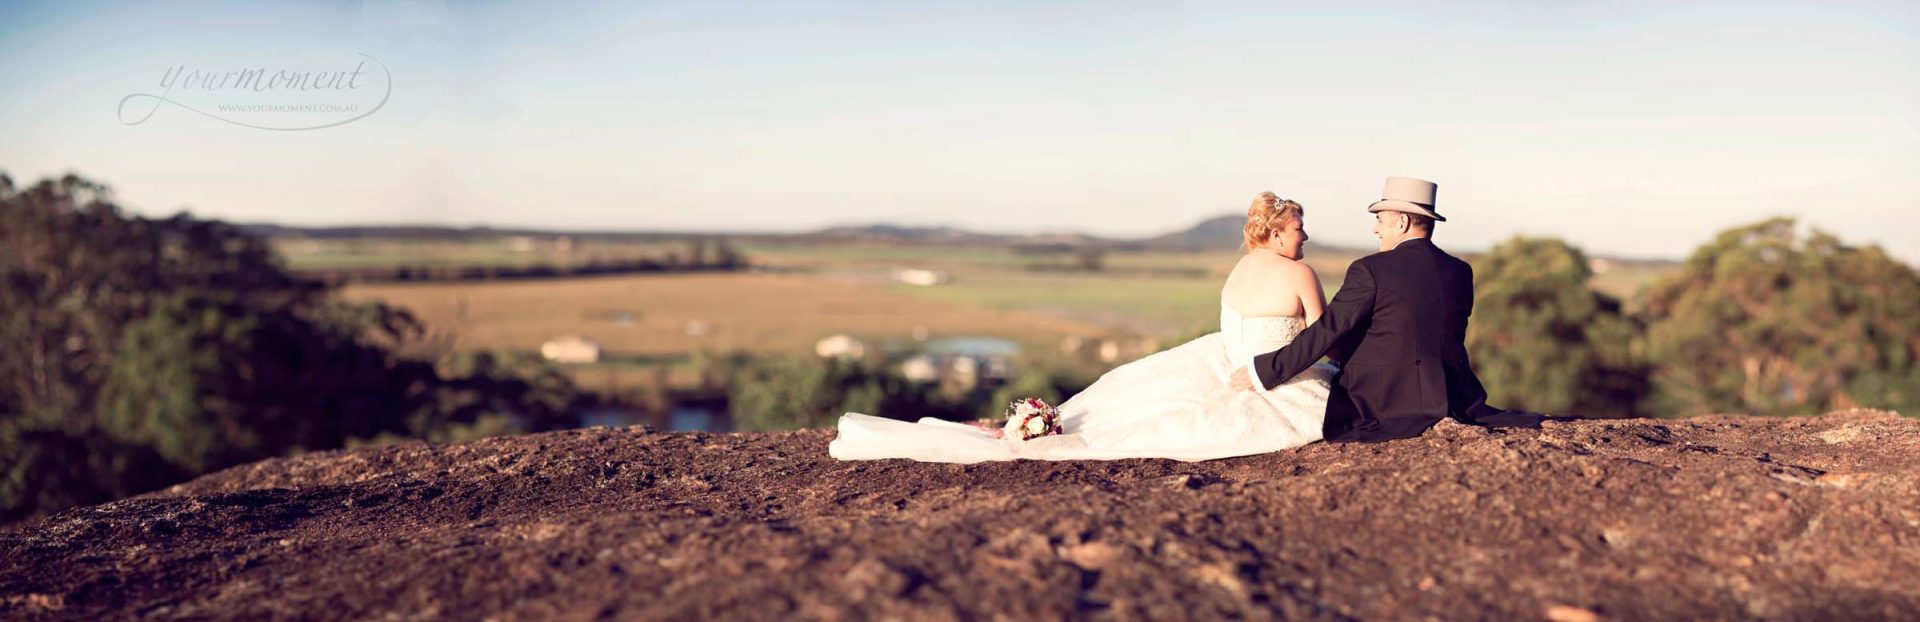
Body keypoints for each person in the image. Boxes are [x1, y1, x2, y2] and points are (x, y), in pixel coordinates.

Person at [829, 192, 1333, 462]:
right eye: (1297, 227)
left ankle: (1036, 429)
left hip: (1227, 361)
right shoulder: (1300, 273)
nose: (1305, 234)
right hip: (1274, 379)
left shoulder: (1241, 268)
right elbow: (1322, 338)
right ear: (1275, 232)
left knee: (1130, 410)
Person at [1229, 176, 1542, 441]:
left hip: (1384, 401)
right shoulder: (1461, 271)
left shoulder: (1371, 269)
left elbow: (1327, 331)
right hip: (1456, 397)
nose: (1375, 230)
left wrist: (1263, 371)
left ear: (1402, 222)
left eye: (1380, 220)